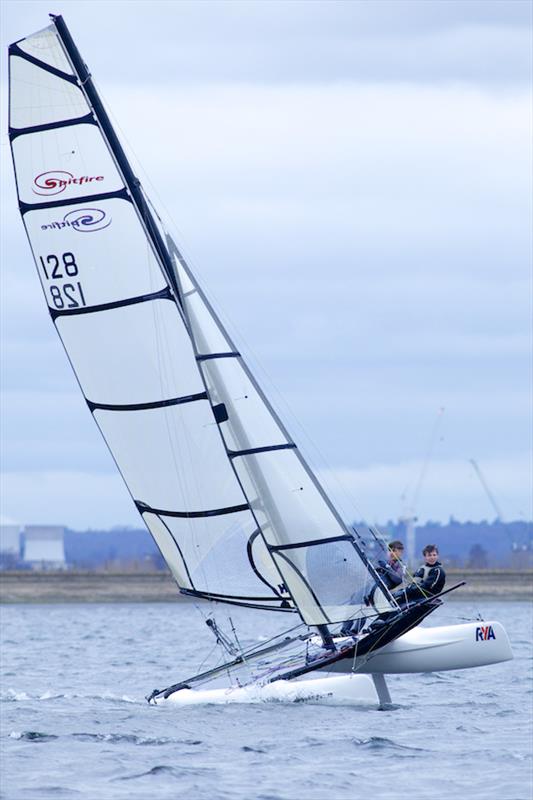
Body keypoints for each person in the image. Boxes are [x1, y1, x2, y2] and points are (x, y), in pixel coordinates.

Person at [340, 540, 406, 637]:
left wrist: (386, 567)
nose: (392, 553)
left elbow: (398, 580)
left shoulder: (400, 565)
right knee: (354, 602)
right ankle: (344, 631)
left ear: (400, 552)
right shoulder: (383, 562)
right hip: (369, 587)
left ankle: (355, 631)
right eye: (390, 550)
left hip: (379, 592)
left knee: (363, 609)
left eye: (395, 551)